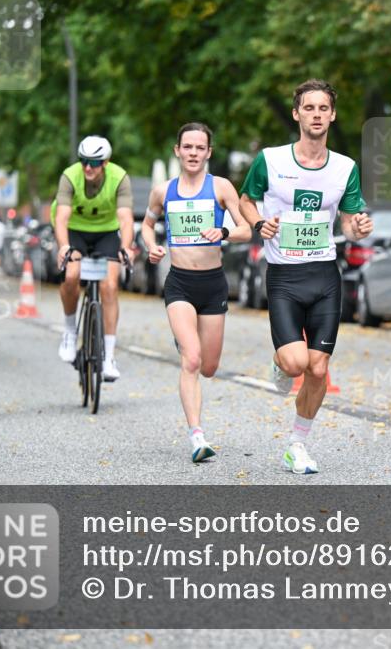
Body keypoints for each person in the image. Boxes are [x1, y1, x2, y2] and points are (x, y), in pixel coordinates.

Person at [238, 79, 373, 475]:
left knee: (318, 368)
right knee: (297, 364)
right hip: (284, 275)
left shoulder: (345, 167)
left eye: (323, 108)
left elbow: (348, 224)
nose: (316, 115)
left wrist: (358, 229)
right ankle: (281, 362)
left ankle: (297, 444)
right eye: (308, 108)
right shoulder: (270, 160)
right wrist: (259, 222)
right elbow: (246, 201)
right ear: (297, 114)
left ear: (332, 115)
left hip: (325, 276)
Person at [143, 122, 251, 463]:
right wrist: (152, 246)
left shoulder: (220, 187)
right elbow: (147, 225)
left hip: (213, 283)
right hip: (179, 283)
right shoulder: (163, 191)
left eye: (199, 148)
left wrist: (222, 230)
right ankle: (197, 436)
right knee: (191, 358)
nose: (192, 153)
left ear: (208, 152)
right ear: (178, 150)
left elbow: (246, 229)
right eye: (187, 147)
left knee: (208, 366)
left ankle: (188, 342)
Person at [52, 135, 135, 381]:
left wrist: (126, 247)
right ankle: (69, 332)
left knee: (109, 286)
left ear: (106, 163)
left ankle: (109, 356)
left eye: (95, 162)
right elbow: (62, 218)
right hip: (75, 231)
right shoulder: (70, 176)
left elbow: (126, 218)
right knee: (72, 275)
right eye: (84, 161)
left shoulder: (119, 177)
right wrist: (64, 246)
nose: (88, 167)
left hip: (105, 232)